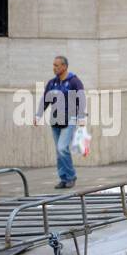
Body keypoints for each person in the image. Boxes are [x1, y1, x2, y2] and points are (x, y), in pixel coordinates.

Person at [34, 55, 86, 190]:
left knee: (62, 148)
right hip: (56, 120)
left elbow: (81, 99)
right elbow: (45, 100)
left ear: (64, 66)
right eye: (53, 65)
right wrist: (38, 115)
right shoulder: (52, 83)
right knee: (59, 151)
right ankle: (63, 178)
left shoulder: (74, 81)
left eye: (57, 65)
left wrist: (81, 117)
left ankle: (71, 176)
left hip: (70, 119)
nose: (54, 68)